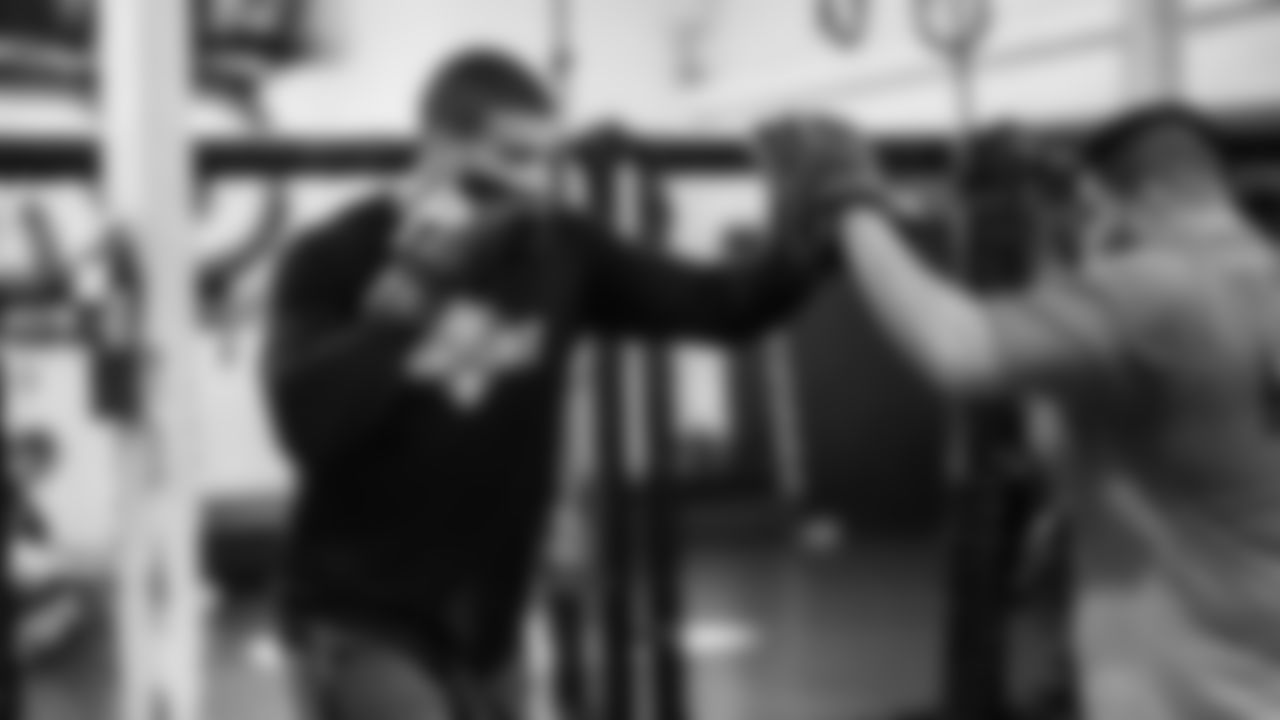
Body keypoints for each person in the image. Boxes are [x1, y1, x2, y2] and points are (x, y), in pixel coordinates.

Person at [263, 47, 843, 720]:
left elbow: (719, 307)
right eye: (512, 157)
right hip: (360, 617)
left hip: (488, 631)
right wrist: (417, 287)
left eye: (545, 159)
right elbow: (305, 422)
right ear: (438, 146)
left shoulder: (556, 248)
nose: (532, 182)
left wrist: (803, 243)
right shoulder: (334, 255)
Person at [798, 104, 1280, 720]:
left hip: (1185, 695)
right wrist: (1064, 259)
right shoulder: (1257, 274)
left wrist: (848, 201)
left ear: (1142, 195)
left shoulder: (1155, 289)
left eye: (1095, 207)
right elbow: (1061, 450)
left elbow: (956, 348)